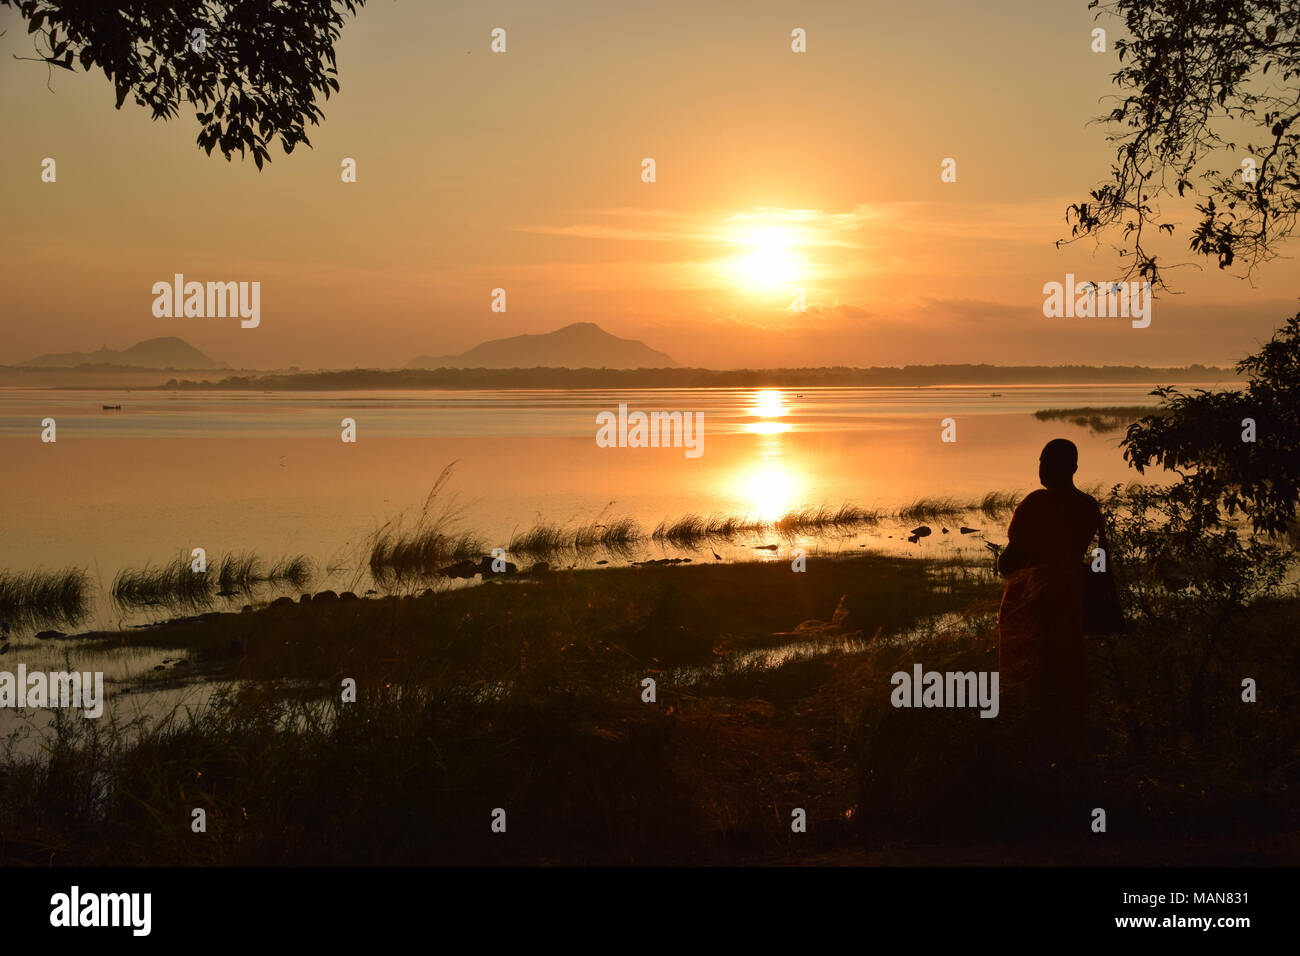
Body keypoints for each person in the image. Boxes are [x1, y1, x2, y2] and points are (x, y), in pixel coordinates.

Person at [996, 438, 1102, 765]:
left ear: (1053, 467)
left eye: (1042, 462)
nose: (1039, 469)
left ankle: (1031, 749)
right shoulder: (1088, 506)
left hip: (1034, 602)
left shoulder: (1036, 505)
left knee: (1028, 674)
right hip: (1070, 602)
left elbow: (1008, 564)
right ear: (1074, 468)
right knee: (1065, 672)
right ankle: (1069, 748)